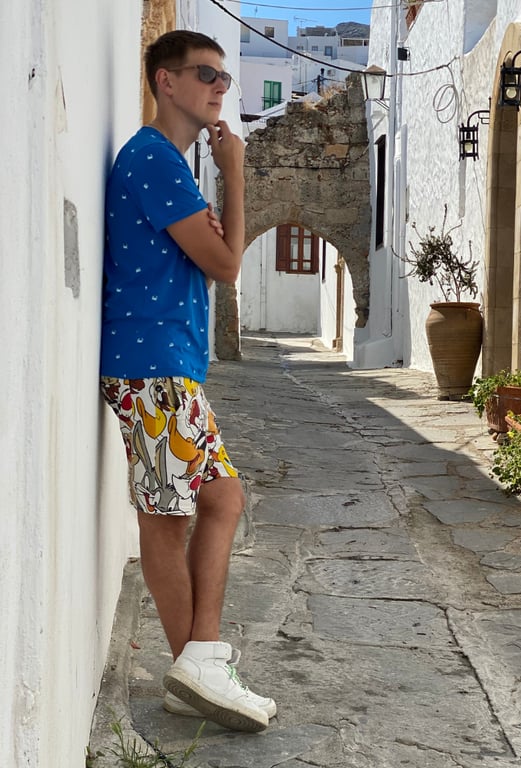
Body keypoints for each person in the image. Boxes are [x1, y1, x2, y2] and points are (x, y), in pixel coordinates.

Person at [99, 29, 275, 733]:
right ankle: (196, 667)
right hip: (153, 365)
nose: (220, 87)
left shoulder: (167, 163)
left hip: (166, 366)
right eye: (206, 74)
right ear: (165, 81)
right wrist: (235, 172)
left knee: (221, 499)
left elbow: (217, 255)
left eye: (225, 79)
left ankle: (197, 664)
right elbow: (227, 265)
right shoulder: (154, 159)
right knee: (169, 519)